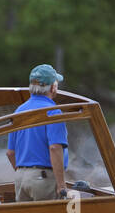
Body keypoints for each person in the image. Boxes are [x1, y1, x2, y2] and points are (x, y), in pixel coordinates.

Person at [6, 63, 69, 202]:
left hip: (21, 178)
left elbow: (10, 153)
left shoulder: (19, 111)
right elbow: (54, 148)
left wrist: (24, 173)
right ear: (53, 87)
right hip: (43, 179)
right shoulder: (53, 112)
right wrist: (61, 185)